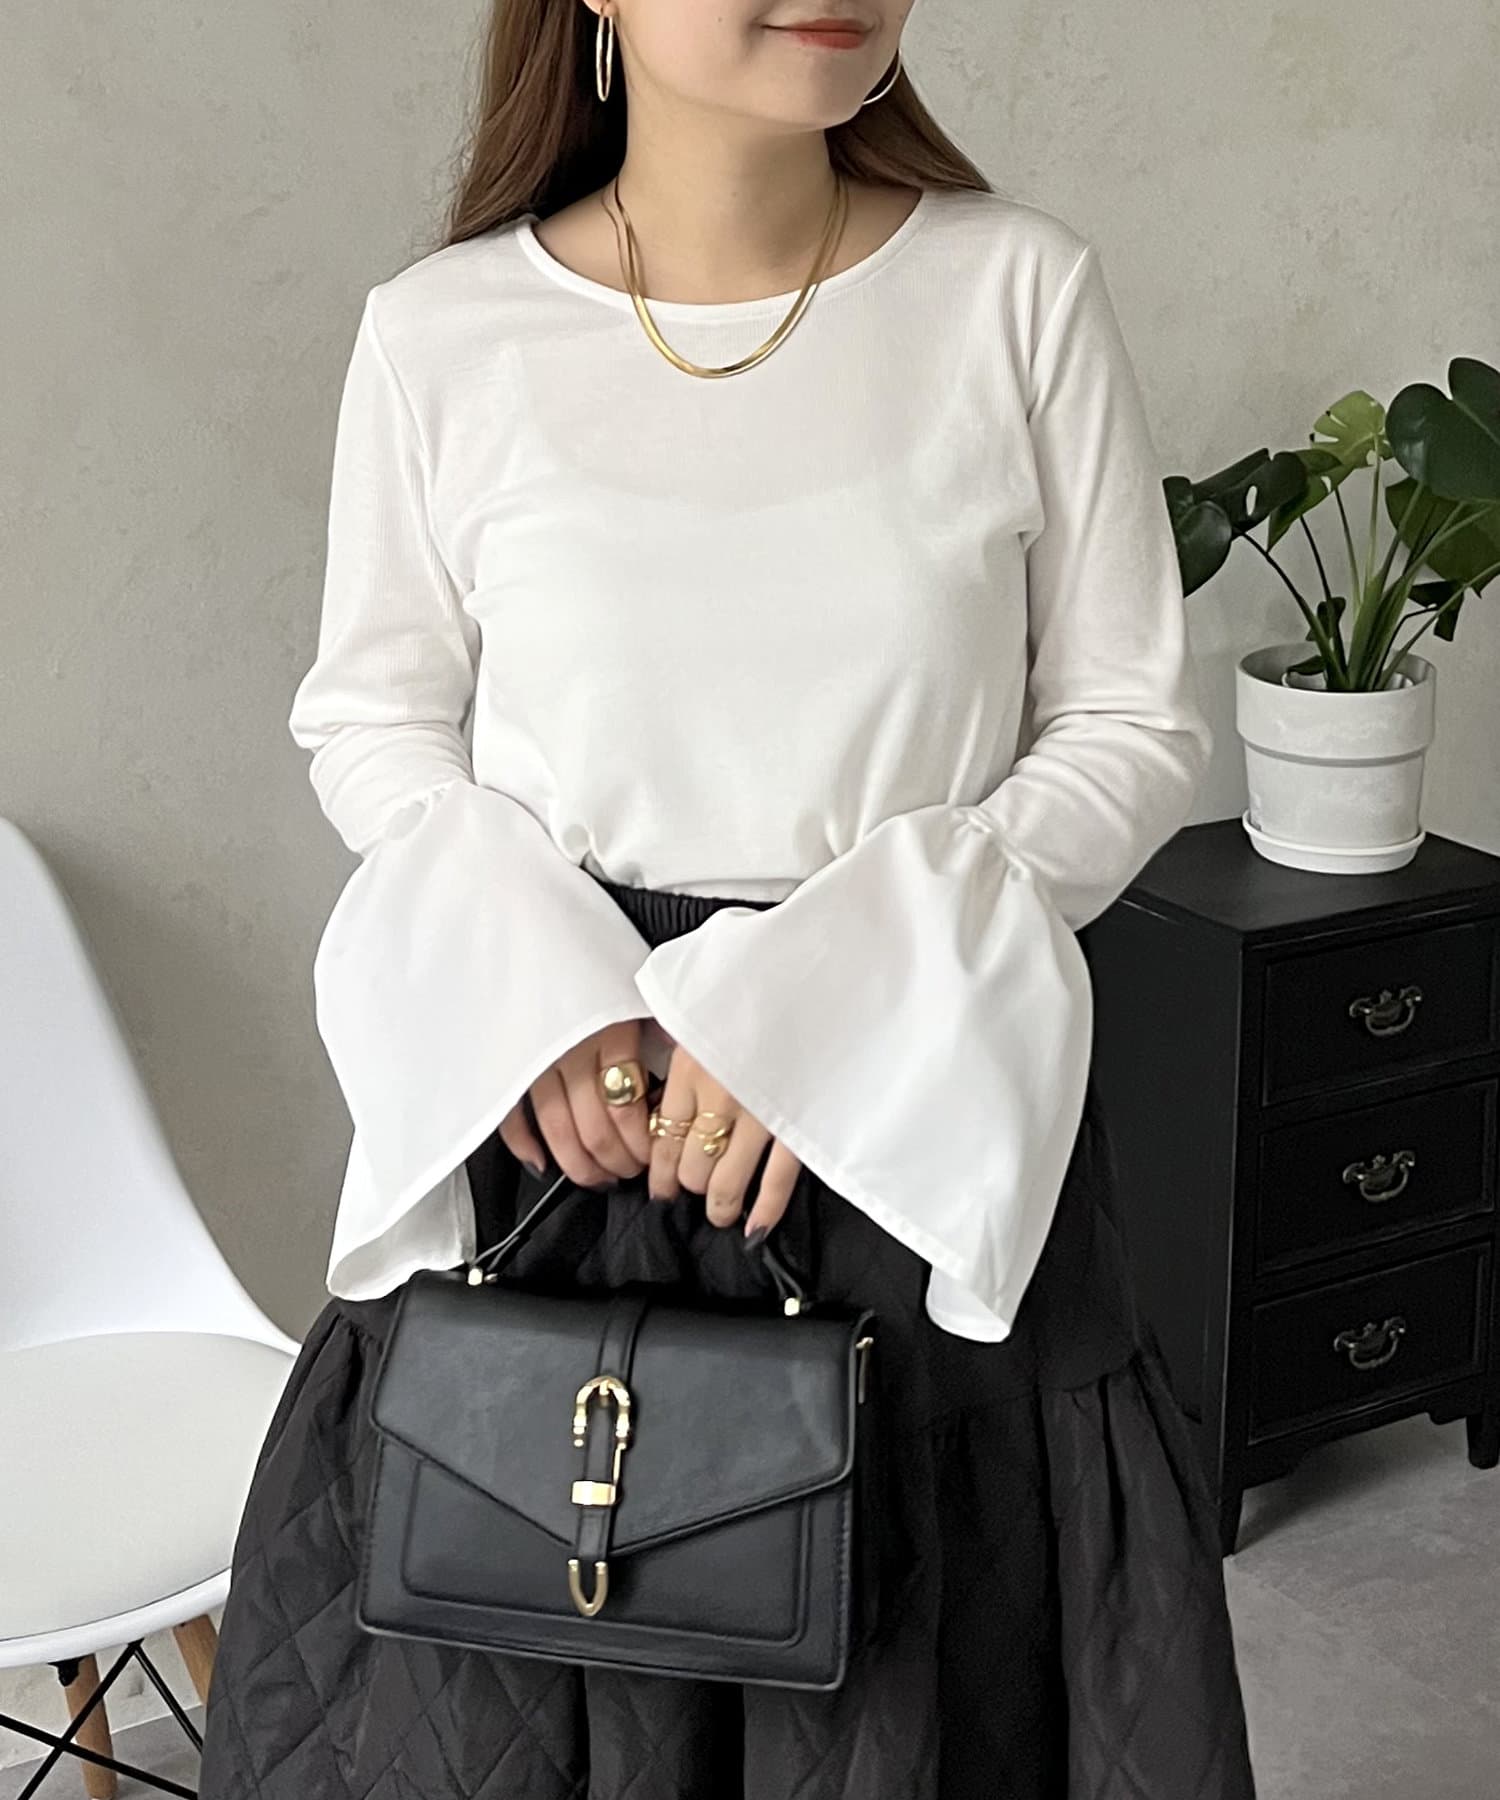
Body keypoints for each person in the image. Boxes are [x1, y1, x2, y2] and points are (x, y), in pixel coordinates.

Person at [197, 1, 1260, 1794]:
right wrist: (541, 1006)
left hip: (920, 1090)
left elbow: (1129, 724)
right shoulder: (440, 334)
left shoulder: (1016, 293)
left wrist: (831, 1011)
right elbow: (371, 722)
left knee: (930, 1700)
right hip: (566, 1121)